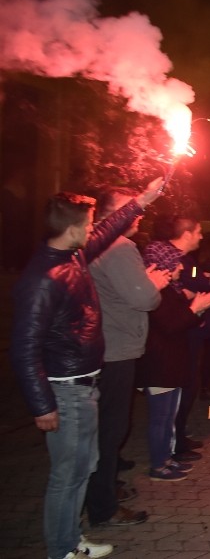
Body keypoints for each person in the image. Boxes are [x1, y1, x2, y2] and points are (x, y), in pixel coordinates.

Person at [10, 178, 163, 559]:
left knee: (83, 466)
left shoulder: (72, 254)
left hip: (84, 384)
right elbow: (24, 347)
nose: (94, 229)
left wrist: (141, 202)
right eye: (90, 223)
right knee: (68, 473)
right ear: (74, 227)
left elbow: (108, 232)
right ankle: (61, 549)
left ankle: (71, 541)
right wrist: (41, 405)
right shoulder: (42, 279)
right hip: (65, 389)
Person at [84, 187, 170, 529]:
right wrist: (153, 282)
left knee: (104, 429)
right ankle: (102, 505)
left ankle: (103, 488)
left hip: (103, 345)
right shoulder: (118, 247)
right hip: (116, 348)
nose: (138, 214)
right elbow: (145, 298)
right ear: (111, 214)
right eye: (129, 208)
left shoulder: (95, 244)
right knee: (110, 430)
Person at [136, 241, 210, 481]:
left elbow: (179, 321)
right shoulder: (156, 293)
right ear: (164, 265)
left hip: (170, 363)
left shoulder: (170, 289)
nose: (181, 267)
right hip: (160, 364)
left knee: (168, 416)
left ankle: (167, 458)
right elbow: (170, 324)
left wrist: (196, 310)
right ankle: (159, 464)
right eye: (175, 263)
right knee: (160, 417)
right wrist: (194, 309)